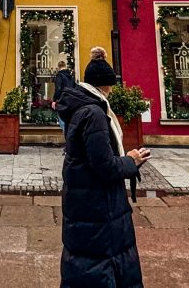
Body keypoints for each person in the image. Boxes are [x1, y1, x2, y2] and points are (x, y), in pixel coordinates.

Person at [58, 57, 150, 287]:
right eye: (111, 84)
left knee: (83, 268)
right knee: (102, 270)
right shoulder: (95, 114)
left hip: (84, 204)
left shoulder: (79, 109)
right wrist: (131, 161)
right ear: (105, 85)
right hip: (100, 209)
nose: (112, 90)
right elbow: (104, 167)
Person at [52, 60, 76, 134]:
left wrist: (54, 100)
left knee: (62, 122)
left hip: (62, 101)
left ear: (59, 67)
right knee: (69, 122)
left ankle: (67, 141)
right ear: (65, 66)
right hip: (71, 100)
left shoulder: (59, 75)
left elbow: (58, 88)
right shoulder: (71, 76)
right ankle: (70, 141)